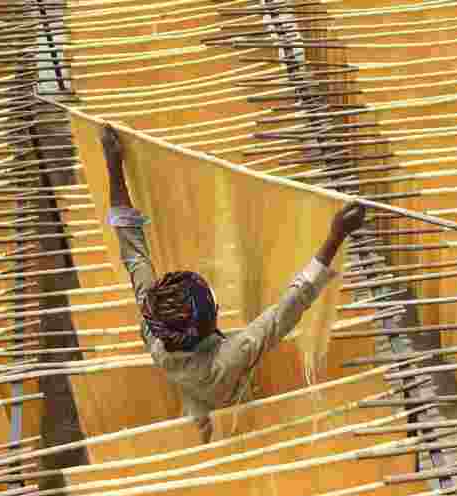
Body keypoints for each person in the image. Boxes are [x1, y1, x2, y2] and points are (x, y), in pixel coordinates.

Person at [100, 124, 366, 443]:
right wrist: (335, 237)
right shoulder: (231, 358)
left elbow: (132, 251)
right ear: (211, 321)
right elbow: (286, 311)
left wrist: (113, 165)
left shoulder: (154, 330)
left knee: (201, 427)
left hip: (193, 396)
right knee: (239, 430)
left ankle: (203, 431)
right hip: (234, 404)